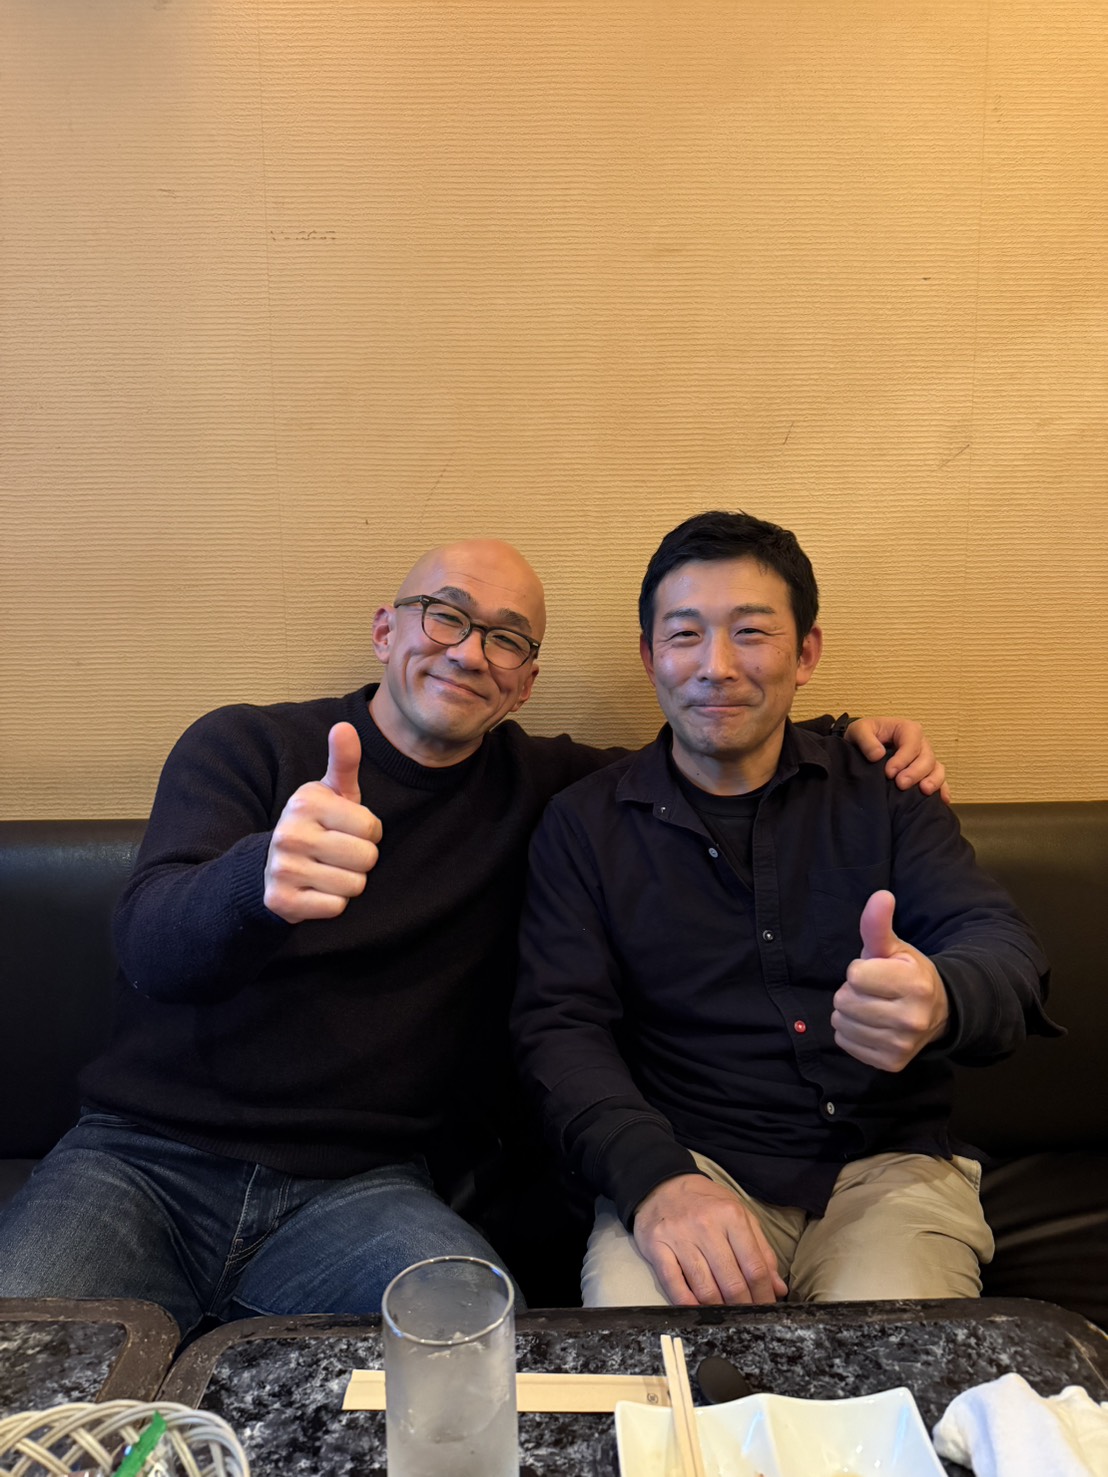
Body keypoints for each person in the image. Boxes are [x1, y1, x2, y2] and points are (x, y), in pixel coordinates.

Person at [0, 537, 947, 1337]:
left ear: (525, 682)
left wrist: (843, 742)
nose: (468, 652)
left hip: (357, 1191)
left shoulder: (547, 794)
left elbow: (707, 748)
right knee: (28, 1375)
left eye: (506, 639)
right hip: (142, 1164)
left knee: (480, 1347)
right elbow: (150, 946)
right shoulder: (249, 748)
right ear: (387, 630)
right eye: (444, 616)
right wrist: (257, 880)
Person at [512, 512, 1060, 1310]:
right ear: (650, 656)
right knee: (654, 1361)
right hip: (694, 1163)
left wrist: (942, 995)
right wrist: (655, 1179)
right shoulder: (586, 823)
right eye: (685, 634)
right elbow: (559, 1027)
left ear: (805, 653)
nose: (717, 667)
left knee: (893, 1374)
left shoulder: (884, 789)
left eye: (751, 632)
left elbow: (1000, 945)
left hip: (891, 1167)